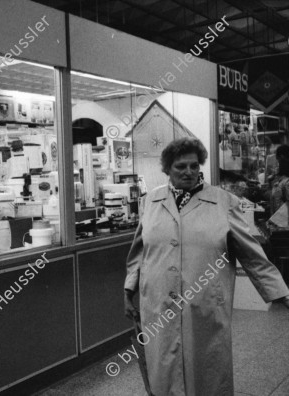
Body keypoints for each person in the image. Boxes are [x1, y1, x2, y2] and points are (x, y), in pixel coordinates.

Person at [123, 137, 289, 396]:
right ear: (167, 169)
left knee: (208, 373)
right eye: (180, 167)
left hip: (205, 305)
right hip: (157, 303)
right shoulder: (150, 202)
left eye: (193, 165)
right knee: (164, 373)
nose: (188, 172)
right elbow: (139, 253)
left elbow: (252, 254)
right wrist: (128, 290)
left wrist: (280, 292)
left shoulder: (223, 202)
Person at [269, 144, 289, 218]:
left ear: (282, 157)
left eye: (278, 161)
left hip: (284, 225)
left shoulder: (286, 181)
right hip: (280, 224)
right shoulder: (282, 179)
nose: (277, 165)